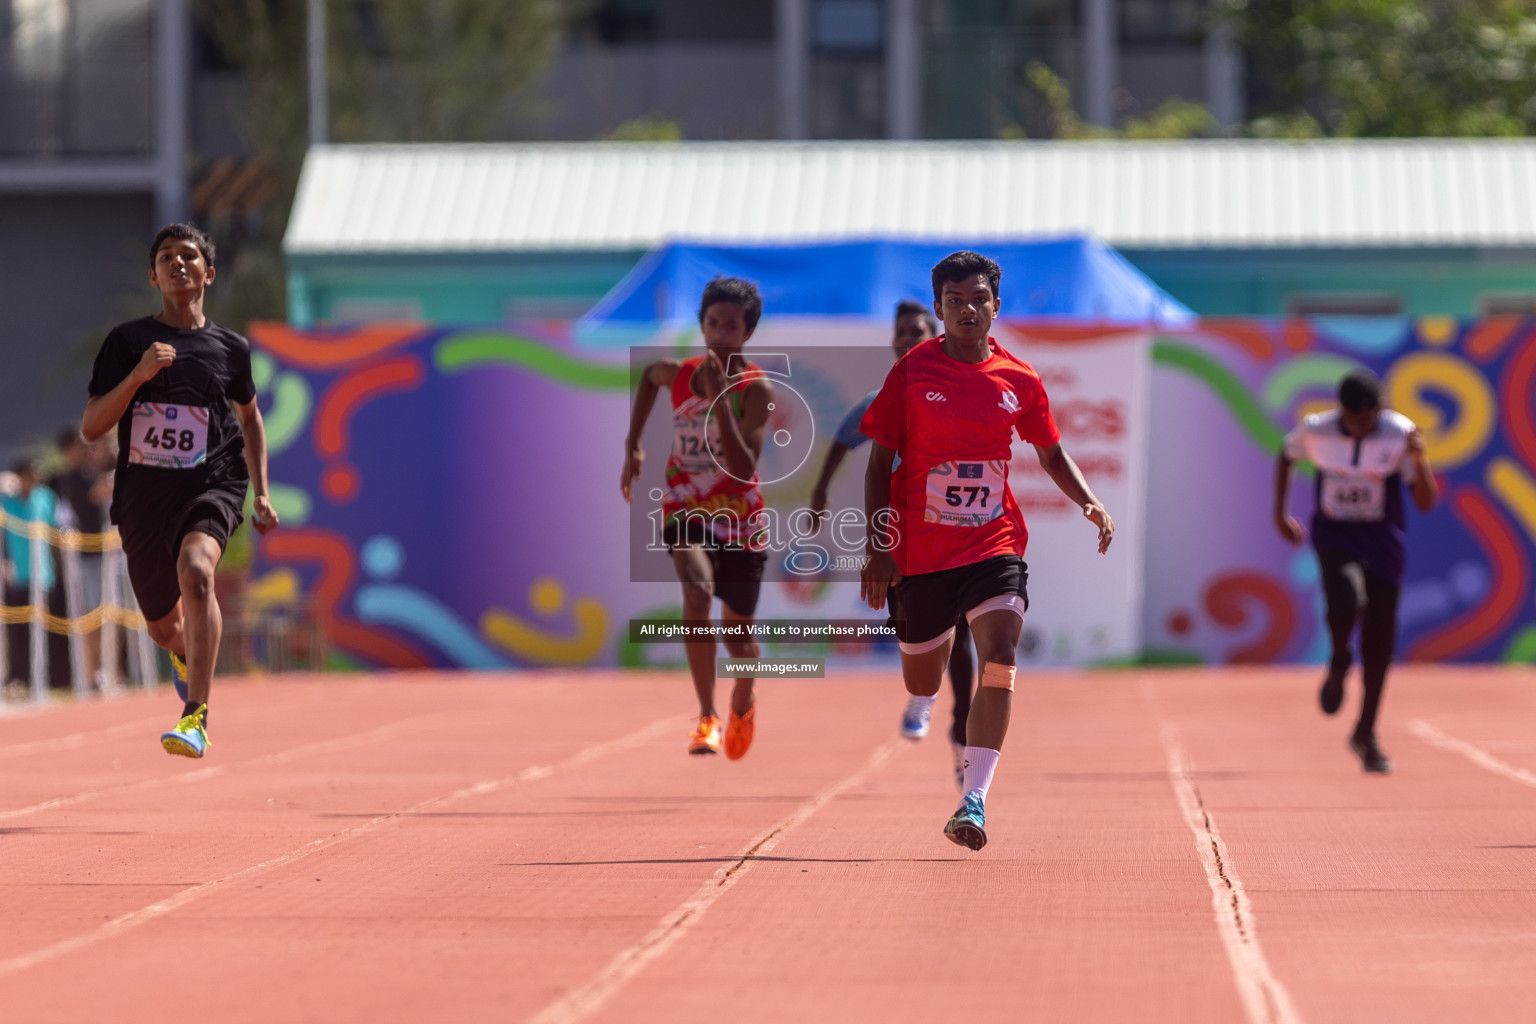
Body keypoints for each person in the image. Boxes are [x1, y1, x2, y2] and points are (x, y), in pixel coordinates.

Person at [860, 251, 1114, 851]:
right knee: (922, 674)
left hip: (993, 541)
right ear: (940, 309)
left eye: (979, 299)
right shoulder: (912, 373)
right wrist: (878, 549)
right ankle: (927, 682)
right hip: (921, 552)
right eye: (955, 301)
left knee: (1000, 654)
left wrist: (1089, 501)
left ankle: (973, 799)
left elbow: (1051, 453)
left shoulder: (1020, 379)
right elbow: (878, 465)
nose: (968, 310)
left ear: (997, 306)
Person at [80, 222, 279, 758]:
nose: (178, 263)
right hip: (145, 497)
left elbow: (251, 416)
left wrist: (260, 491)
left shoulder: (229, 348)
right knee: (165, 630)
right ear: (154, 276)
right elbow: (92, 426)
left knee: (197, 570)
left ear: (207, 273)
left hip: (211, 482)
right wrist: (139, 376)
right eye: (166, 256)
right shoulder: (128, 343)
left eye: (188, 255)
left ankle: (196, 715)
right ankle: (185, 655)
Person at [810, 300, 974, 785]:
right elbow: (844, 441)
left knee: (962, 630)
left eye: (917, 330)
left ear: (936, 335)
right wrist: (820, 491)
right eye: (900, 331)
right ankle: (923, 690)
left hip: (953, 527)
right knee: (911, 623)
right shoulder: (883, 397)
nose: (907, 338)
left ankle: (961, 734)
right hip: (902, 535)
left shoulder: (961, 387)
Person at [621, 277, 773, 760]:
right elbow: (649, 376)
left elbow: (744, 466)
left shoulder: (758, 389)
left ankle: (743, 698)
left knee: (739, 636)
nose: (720, 334)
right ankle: (706, 715)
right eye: (712, 323)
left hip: (741, 518)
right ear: (702, 326)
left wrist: (718, 399)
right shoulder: (679, 371)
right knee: (696, 590)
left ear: (747, 332)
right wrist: (634, 444)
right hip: (685, 507)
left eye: (731, 326)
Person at [1274, 368, 1437, 773]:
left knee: (1380, 647)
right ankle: (1340, 657)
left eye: (1366, 420)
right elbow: (1286, 455)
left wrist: (1418, 457)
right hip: (1337, 536)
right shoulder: (1318, 429)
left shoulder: (1400, 433)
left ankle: (1366, 732)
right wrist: (1280, 514)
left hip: (1384, 544)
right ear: (1341, 411)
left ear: (1378, 410)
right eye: (1351, 419)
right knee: (1347, 597)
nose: (1358, 428)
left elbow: (1426, 502)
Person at [47, 428, 114, 689]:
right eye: (79, 446)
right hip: (85, 558)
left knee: (109, 615)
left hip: (106, 554)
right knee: (90, 616)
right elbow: (98, 492)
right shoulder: (70, 479)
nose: (85, 450)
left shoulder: (89, 473)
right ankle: (90, 673)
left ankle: (103, 671)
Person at [1, 458, 59, 697]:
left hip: (43, 575)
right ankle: (19, 678)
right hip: (17, 576)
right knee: (17, 632)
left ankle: (44, 677)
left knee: (46, 628)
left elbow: (58, 531)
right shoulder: (6, 502)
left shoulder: (47, 498)